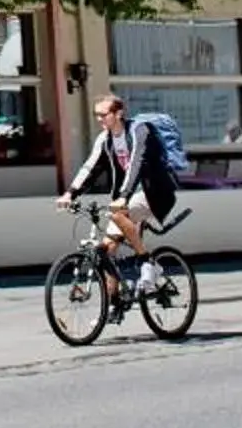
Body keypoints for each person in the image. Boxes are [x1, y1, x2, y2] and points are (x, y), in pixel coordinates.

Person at [55, 96, 175, 311]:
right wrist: (70, 194)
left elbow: (137, 163)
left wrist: (124, 196)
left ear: (119, 113)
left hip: (154, 192)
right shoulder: (105, 139)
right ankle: (115, 302)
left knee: (117, 214)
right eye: (97, 115)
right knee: (106, 251)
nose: (99, 119)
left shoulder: (139, 130)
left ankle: (147, 263)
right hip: (127, 198)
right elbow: (90, 167)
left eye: (104, 114)